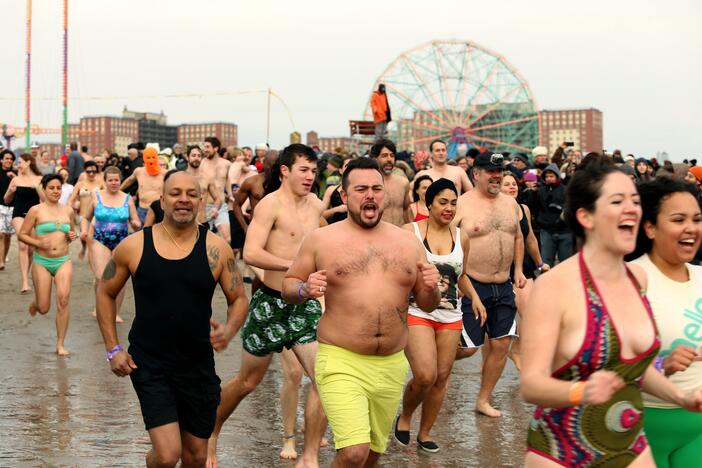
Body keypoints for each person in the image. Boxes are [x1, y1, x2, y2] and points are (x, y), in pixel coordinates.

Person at [520, 154, 702, 467]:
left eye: (634, 199)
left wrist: (680, 397)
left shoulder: (638, 279)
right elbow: (531, 384)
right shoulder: (554, 286)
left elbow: (632, 367)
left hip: (630, 447)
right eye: (617, 201)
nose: (631, 208)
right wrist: (581, 391)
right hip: (563, 452)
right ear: (586, 217)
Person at [281, 157, 440, 467]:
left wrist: (432, 288)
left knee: (372, 455)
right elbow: (289, 284)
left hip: (391, 363)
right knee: (353, 452)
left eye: (377, 189)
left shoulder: (408, 242)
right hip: (341, 358)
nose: (370, 195)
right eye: (361, 189)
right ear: (344, 195)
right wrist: (304, 289)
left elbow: (426, 303)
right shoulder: (321, 240)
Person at [95, 170, 248, 468]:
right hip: (149, 363)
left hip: (197, 365)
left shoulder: (216, 248)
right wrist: (113, 349)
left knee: (195, 456)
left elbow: (239, 298)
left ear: (200, 201)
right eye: (176, 193)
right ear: (162, 200)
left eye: (191, 194)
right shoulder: (135, 245)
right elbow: (105, 291)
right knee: (167, 455)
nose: (184, 200)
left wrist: (229, 331)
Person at [207, 144, 325, 468]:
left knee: (323, 379)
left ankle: (310, 454)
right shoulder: (270, 205)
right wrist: (296, 263)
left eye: (314, 171)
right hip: (270, 303)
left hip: (304, 303)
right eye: (304, 170)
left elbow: (326, 244)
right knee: (248, 381)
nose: (310, 177)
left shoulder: (316, 204)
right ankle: (212, 431)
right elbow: (252, 252)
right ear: (286, 171)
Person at [394, 178, 485, 453]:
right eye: (443, 202)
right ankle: (406, 416)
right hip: (417, 310)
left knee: (442, 377)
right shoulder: (409, 232)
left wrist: (476, 298)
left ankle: (425, 432)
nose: (449, 208)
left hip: (451, 315)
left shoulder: (462, 237)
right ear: (429, 203)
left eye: (453, 203)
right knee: (425, 374)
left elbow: (462, 275)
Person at [628, 178, 702, 467]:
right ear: (650, 228)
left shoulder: (701, 278)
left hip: (696, 428)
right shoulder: (630, 279)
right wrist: (662, 364)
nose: (691, 228)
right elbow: (604, 364)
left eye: (697, 219)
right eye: (678, 219)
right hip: (642, 426)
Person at [453, 151, 526, 417]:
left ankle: (483, 400)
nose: (496, 176)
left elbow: (518, 237)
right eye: (490, 171)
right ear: (476, 174)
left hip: (503, 284)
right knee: (467, 348)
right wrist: (455, 280)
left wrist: (518, 270)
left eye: (499, 171)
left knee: (500, 344)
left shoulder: (511, 204)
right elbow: (447, 240)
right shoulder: (461, 204)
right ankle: (437, 363)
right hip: (472, 284)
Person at [19, 174, 77, 356]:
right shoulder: (36, 210)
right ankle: (37, 303)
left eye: (58, 188)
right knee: (44, 308)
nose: (55, 191)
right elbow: (22, 234)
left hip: (63, 260)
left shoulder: (68, 210)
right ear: (43, 189)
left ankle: (60, 344)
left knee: (63, 299)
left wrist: (71, 237)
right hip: (41, 261)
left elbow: (72, 232)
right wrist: (37, 244)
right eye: (51, 188)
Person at [500, 172, 549, 370]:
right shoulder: (493, 209)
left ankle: (517, 349)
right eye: (507, 184)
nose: (512, 187)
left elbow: (530, 239)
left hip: (523, 267)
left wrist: (540, 264)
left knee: (533, 313)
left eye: (514, 184)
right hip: (500, 266)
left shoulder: (524, 209)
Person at [82, 166, 141, 323]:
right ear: (105, 181)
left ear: (120, 180)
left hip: (121, 241)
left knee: (119, 279)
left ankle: (115, 312)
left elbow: (135, 219)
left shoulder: (127, 198)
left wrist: (135, 223)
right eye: (110, 180)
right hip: (100, 239)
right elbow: (86, 218)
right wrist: (84, 231)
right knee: (102, 277)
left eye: (117, 180)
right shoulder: (96, 196)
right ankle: (100, 307)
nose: (114, 183)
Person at [4, 153, 43, 292]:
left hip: (34, 215)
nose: (17, 165)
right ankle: (25, 282)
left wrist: (37, 187)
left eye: (20, 162)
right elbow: (7, 200)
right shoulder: (16, 180)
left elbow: (44, 200)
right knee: (22, 245)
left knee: (31, 249)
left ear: (28, 163)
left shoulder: (40, 179)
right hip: (18, 214)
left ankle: (26, 274)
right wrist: (10, 191)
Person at [526, 162, 573, 267]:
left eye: (551, 176)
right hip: (547, 231)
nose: (548, 178)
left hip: (564, 231)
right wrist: (532, 193)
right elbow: (532, 206)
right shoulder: (540, 191)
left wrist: (560, 210)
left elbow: (570, 208)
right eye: (546, 176)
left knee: (566, 263)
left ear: (557, 176)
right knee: (546, 263)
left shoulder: (565, 190)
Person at [369, 139, 411, 226]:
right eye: (384, 156)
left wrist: (412, 232)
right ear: (374, 159)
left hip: (400, 234)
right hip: (376, 236)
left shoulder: (403, 183)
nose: (389, 159)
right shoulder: (367, 184)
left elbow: (407, 210)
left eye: (392, 156)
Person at [68, 161, 104, 260]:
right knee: (84, 237)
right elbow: (71, 199)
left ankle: (94, 255)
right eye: (89, 171)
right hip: (83, 216)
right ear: (85, 172)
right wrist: (69, 210)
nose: (91, 174)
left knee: (93, 238)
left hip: (97, 215)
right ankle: (84, 248)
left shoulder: (101, 183)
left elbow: (108, 196)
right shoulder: (80, 184)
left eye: (94, 171)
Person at [120, 147, 165, 225]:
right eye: (148, 157)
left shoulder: (165, 173)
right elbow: (129, 180)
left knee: (158, 235)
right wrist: (119, 190)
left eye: (153, 157)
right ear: (144, 158)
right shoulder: (139, 171)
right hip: (142, 209)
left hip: (159, 210)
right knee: (142, 234)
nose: (151, 160)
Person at [201, 137, 232, 243]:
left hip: (221, 206)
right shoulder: (201, 164)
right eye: (204, 147)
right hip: (205, 207)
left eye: (207, 147)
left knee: (227, 239)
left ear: (216, 148)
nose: (205, 149)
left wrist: (231, 194)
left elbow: (227, 180)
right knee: (203, 240)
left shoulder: (226, 164)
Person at [184, 145, 222, 225]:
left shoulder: (207, 178)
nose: (196, 158)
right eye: (193, 155)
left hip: (202, 221)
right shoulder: (180, 177)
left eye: (199, 156)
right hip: (185, 223)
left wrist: (215, 208)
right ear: (187, 157)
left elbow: (218, 199)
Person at [321, 156, 352, 224]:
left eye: (353, 167)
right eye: (348, 166)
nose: (351, 169)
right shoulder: (331, 190)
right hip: (334, 229)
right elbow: (321, 215)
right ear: (340, 170)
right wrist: (336, 209)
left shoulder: (362, 191)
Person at [0, 149, 17, 270]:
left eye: (11, 159)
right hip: (0, 206)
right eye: (6, 158)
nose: (9, 160)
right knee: (1, 234)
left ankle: (3, 258)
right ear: (1, 160)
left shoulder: (16, 174)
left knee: (8, 236)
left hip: (12, 208)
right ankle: (0, 261)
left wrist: (15, 178)